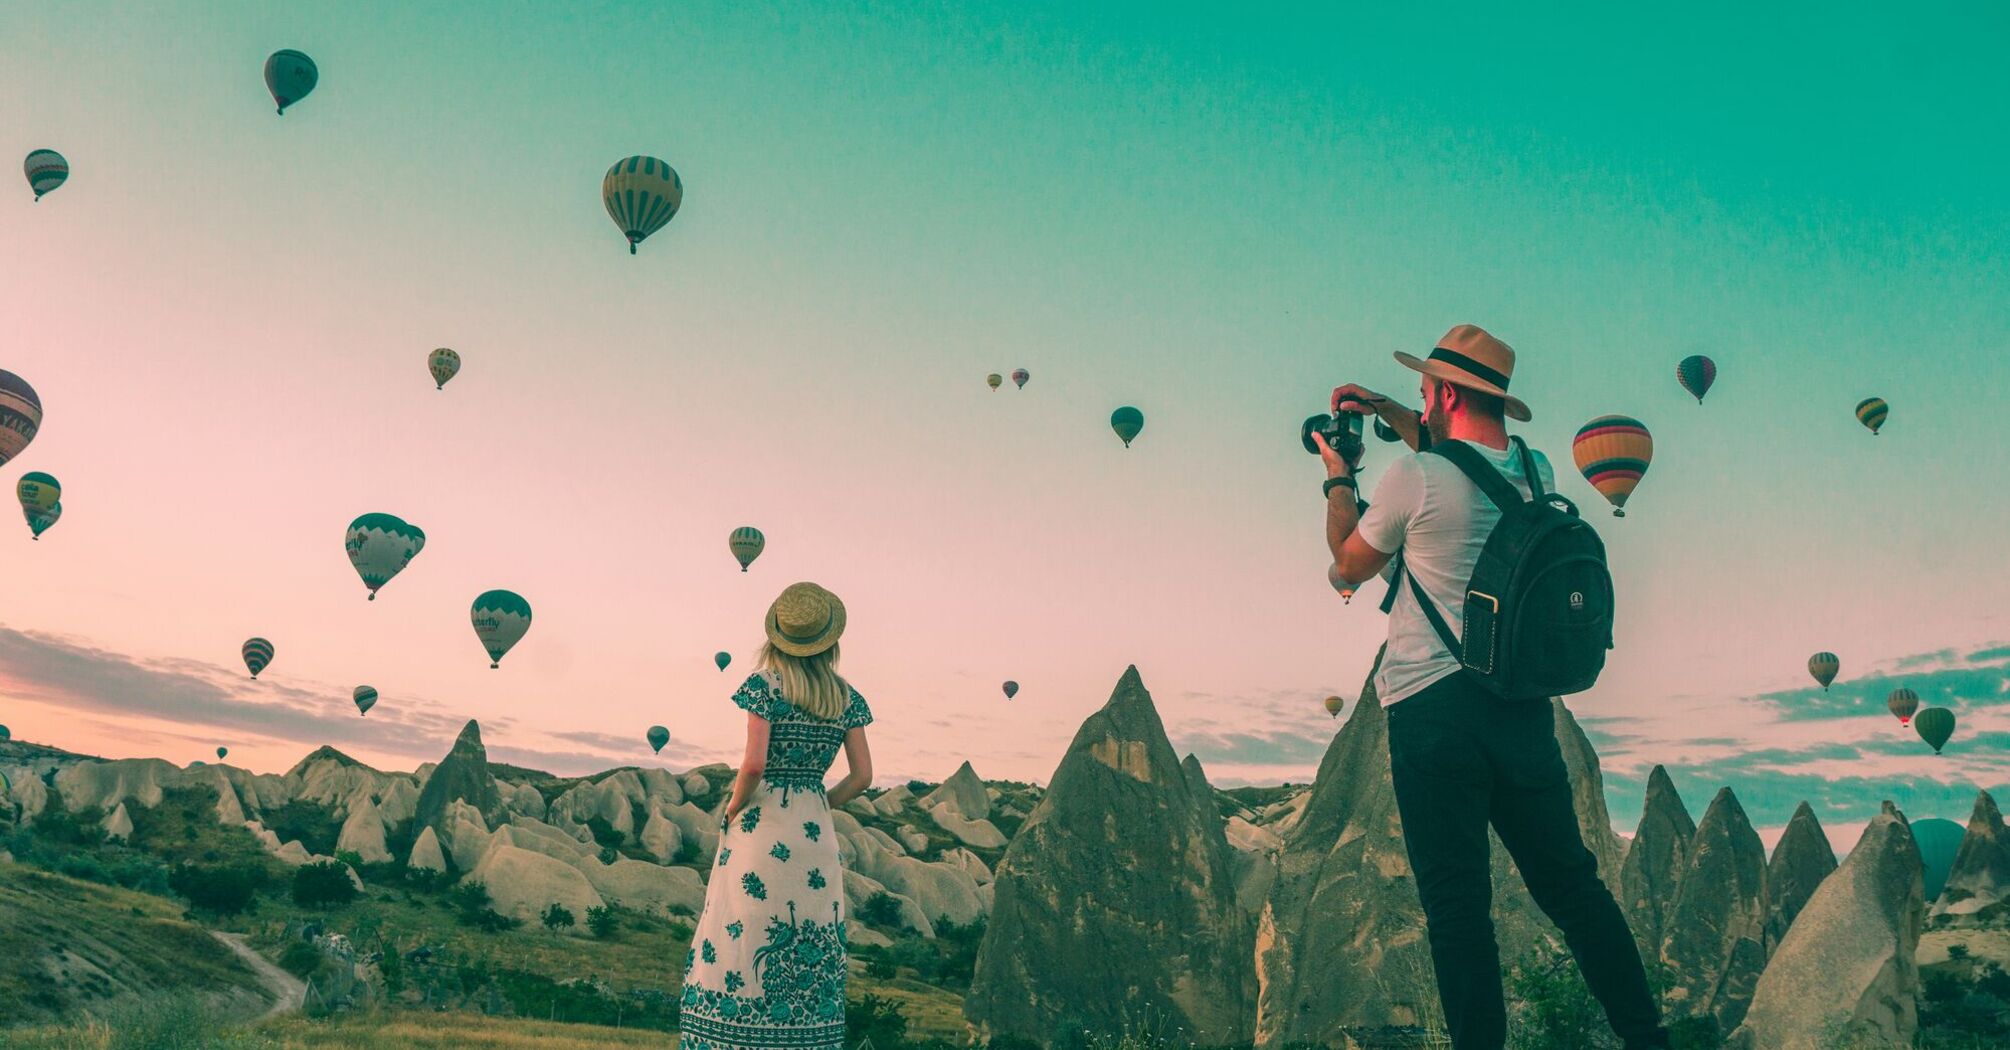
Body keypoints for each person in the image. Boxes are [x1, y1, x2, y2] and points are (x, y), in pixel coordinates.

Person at [1316, 325, 1670, 1050]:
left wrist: (1336, 477)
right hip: (1521, 707)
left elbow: (1348, 569)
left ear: (1445, 393)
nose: (1420, 406)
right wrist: (1388, 408)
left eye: (1423, 394)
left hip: (1432, 711)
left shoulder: (1411, 479)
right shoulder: (1537, 471)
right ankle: (1647, 1038)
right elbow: (1459, 457)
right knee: (1574, 887)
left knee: (1457, 910)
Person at [677, 581, 875, 1050]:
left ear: (777, 637)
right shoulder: (847, 697)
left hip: (761, 826)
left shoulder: (764, 686)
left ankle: (730, 1033)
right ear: (830, 640)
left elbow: (754, 765)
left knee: (741, 929)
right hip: (814, 834)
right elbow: (863, 775)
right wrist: (821, 801)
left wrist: (732, 807)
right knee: (812, 932)